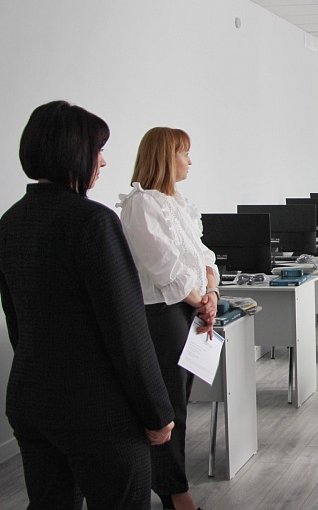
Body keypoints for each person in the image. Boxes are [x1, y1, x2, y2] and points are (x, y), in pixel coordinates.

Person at [0, 101, 175, 509]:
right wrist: (157, 411)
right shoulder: (93, 222)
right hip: (99, 412)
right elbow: (127, 329)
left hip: (30, 399)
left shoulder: (9, 223)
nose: (103, 161)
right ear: (75, 153)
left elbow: (17, 323)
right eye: (98, 150)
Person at [118, 127, 218, 510]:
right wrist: (200, 300)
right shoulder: (141, 205)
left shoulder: (178, 203)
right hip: (163, 315)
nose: (190, 160)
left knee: (180, 405)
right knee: (168, 410)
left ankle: (170, 486)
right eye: (184, 153)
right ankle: (174, 492)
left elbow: (205, 258)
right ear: (164, 156)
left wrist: (211, 294)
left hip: (189, 309)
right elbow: (166, 269)